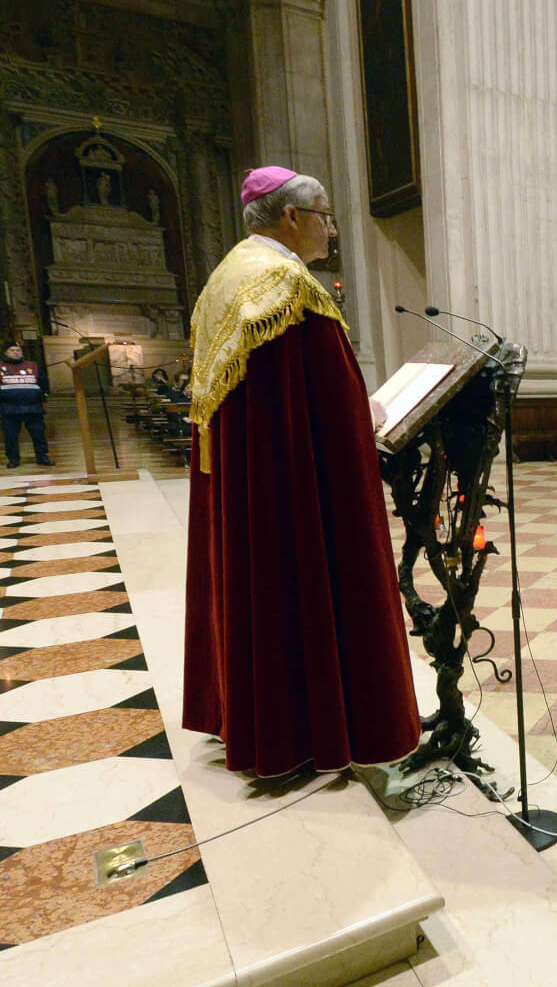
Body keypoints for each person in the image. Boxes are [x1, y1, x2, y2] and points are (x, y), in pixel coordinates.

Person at [185, 165, 419, 776]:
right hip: (292, 486)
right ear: (291, 217)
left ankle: (264, 723)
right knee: (303, 580)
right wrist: (366, 412)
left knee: (261, 582)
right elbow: (330, 405)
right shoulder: (285, 286)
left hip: (253, 482)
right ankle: (317, 730)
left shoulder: (227, 277)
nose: (332, 231)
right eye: (325, 217)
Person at [0, 341, 53, 468]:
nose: (16, 352)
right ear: (5, 353)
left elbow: (44, 383)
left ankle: (42, 457)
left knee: (39, 435)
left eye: (18, 350)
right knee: (11, 436)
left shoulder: (32, 365)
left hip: (33, 407)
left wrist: (43, 397)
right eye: (12, 350)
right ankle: (13, 459)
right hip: (9, 408)